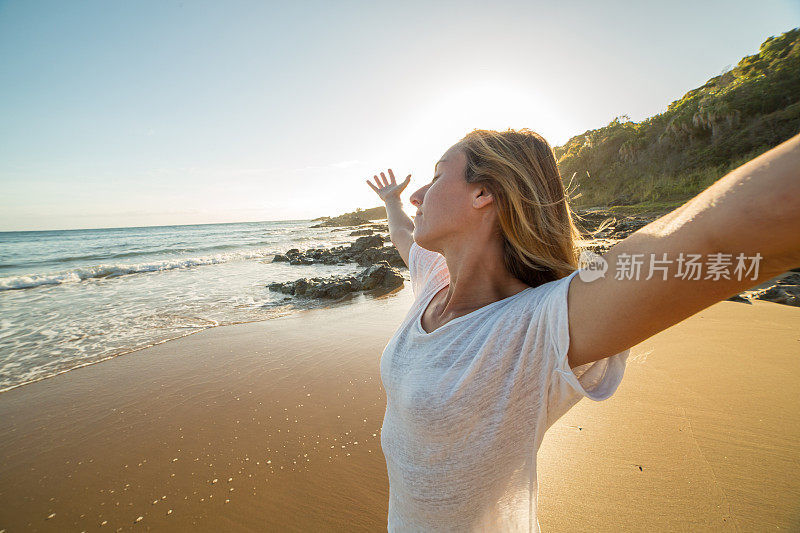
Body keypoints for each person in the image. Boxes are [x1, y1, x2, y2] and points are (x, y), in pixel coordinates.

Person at [366, 128, 800, 532]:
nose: (418, 195)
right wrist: (390, 201)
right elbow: (404, 230)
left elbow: (720, 237)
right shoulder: (433, 277)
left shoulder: (539, 325)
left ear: (483, 192)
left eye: (438, 176)